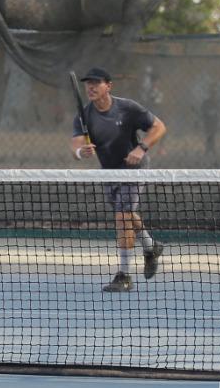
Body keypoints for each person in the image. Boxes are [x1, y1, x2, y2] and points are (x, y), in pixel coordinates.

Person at [69, 67, 167, 292]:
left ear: (108, 86)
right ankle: (151, 246)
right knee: (127, 214)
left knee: (122, 216)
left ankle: (124, 275)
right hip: (110, 173)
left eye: (97, 82)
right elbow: (75, 142)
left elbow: (159, 127)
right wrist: (80, 152)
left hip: (135, 169)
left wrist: (141, 148)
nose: (91, 87)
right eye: (88, 83)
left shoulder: (128, 108)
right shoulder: (84, 115)